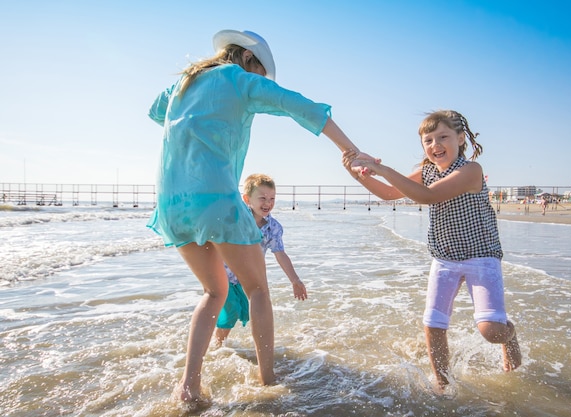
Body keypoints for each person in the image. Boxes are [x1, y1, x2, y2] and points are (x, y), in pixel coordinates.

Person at [147, 29, 375, 406]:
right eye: (259, 73)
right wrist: (352, 151)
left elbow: (156, 112)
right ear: (250, 61)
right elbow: (298, 105)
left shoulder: (183, 85)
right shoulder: (239, 80)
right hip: (215, 200)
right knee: (257, 290)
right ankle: (267, 379)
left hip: (171, 204)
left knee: (215, 291)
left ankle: (188, 385)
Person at [344, 110, 521, 391]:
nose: (435, 145)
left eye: (443, 137)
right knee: (434, 325)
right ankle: (443, 385)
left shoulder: (470, 171)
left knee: (491, 330)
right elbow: (389, 193)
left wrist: (383, 168)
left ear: (460, 139)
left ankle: (509, 337)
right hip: (444, 259)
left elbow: (429, 196)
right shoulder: (427, 170)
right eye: (428, 140)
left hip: (481, 256)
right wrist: (358, 174)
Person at [214, 173, 307, 347]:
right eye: (262, 198)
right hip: (222, 275)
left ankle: (224, 346)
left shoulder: (273, 228)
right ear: (247, 199)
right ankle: (217, 346)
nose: (268, 203)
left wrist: (295, 280)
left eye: (272, 198)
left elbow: (280, 254)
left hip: (246, 279)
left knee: (246, 311)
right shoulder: (236, 219)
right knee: (230, 311)